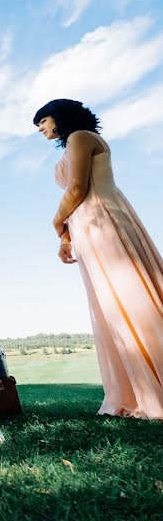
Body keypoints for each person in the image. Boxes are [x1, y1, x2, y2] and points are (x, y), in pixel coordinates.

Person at [36, 98, 163, 420]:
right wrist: (65, 236)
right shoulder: (72, 145)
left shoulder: (81, 137)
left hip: (103, 218)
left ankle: (153, 385)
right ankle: (134, 390)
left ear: (59, 117)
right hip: (85, 225)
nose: (40, 129)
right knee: (110, 305)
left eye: (43, 121)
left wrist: (55, 222)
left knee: (129, 297)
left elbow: (78, 187)